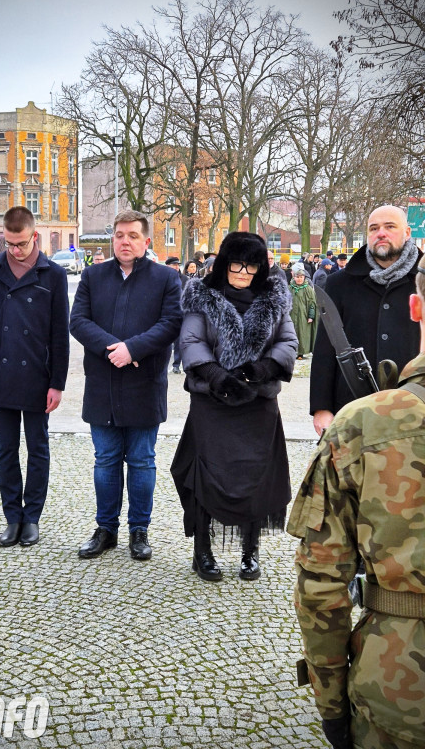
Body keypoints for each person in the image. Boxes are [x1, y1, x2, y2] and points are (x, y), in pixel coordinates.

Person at [288, 254, 425, 749]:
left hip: (400, 685)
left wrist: (332, 706)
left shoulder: (362, 426)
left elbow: (322, 586)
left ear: (415, 307)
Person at [171, 232, 298, 582]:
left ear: (261, 267)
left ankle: (250, 552)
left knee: (256, 477)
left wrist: (263, 369)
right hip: (213, 402)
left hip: (257, 405)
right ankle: (203, 552)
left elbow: (288, 341)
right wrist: (217, 376)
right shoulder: (203, 296)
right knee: (205, 476)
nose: (243, 271)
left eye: (252, 264)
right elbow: (191, 341)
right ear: (224, 263)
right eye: (237, 263)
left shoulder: (274, 299)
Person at [70, 210, 182, 562]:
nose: (125, 241)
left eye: (133, 235)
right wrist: (112, 349)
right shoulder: (92, 276)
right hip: (102, 384)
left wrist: (133, 349)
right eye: (119, 235)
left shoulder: (166, 278)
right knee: (105, 461)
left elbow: (172, 323)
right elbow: (78, 321)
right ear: (112, 238)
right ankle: (106, 529)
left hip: (144, 384)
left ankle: (139, 530)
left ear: (146, 241)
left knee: (141, 460)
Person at [0, 206, 69, 548]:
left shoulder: (53, 274)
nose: (15, 250)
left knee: (38, 450)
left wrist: (57, 383)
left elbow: (60, 334)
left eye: (21, 244)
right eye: (9, 243)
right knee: (6, 450)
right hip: (1, 374)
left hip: (38, 376)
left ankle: (32, 518)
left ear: (35, 237)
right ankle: (12, 517)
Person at [311, 205, 422, 435]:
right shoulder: (339, 284)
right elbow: (325, 348)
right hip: (352, 407)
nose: (381, 233)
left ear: (408, 232)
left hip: (415, 406)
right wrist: (322, 408)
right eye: (374, 228)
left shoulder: (422, 281)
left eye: (390, 226)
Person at [289, 263, 318, 360]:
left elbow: (312, 304)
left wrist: (311, 316)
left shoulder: (308, 289)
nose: (299, 279)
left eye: (301, 277)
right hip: (292, 315)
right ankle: (292, 351)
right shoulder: (290, 288)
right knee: (292, 333)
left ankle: (300, 352)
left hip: (303, 316)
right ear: (294, 277)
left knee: (302, 333)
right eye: (298, 277)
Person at [165, 257, 188, 374]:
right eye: (174, 265)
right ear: (167, 265)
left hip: (180, 313)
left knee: (180, 342)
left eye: (178, 265)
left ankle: (177, 365)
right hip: (165, 314)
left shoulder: (184, 279)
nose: (176, 267)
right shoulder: (162, 278)